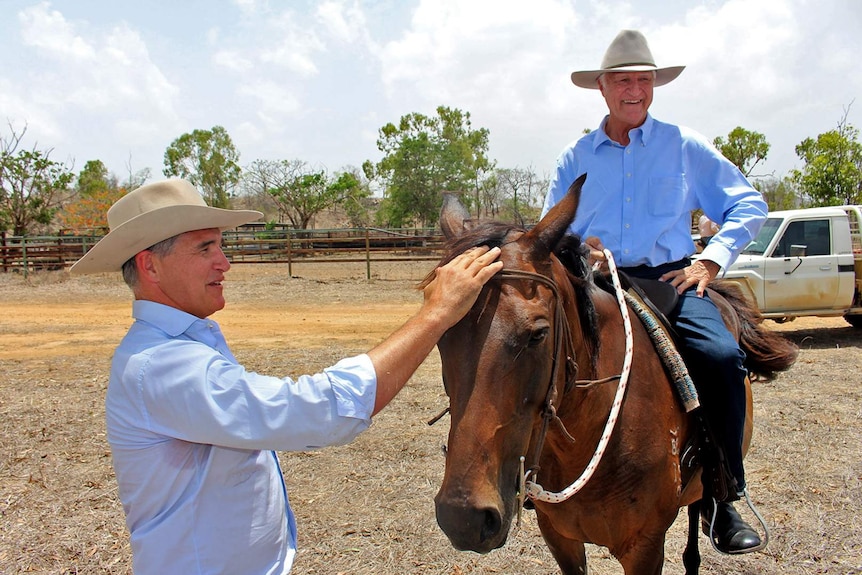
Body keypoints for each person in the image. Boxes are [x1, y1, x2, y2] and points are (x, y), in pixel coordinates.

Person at [70, 179, 503, 574]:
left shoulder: (179, 345)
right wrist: (436, 315)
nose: (224, 264)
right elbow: (308, 411)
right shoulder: (161, 365)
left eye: (220, 247)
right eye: (204, 249)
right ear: (150, 266)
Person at [541, 30, 769, 554]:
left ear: (654, 86)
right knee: (533, 353)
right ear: (601, 88)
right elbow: (548, 232)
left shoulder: (683, 145)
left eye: (644, 80)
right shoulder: (575, 156)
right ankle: (529, 476)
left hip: (669, 280)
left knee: (720, 354)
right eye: (623, 80)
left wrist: (712, 260)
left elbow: (747, 205)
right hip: (595, 284)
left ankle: (722, 494)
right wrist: (579, 249)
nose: (635, 90)